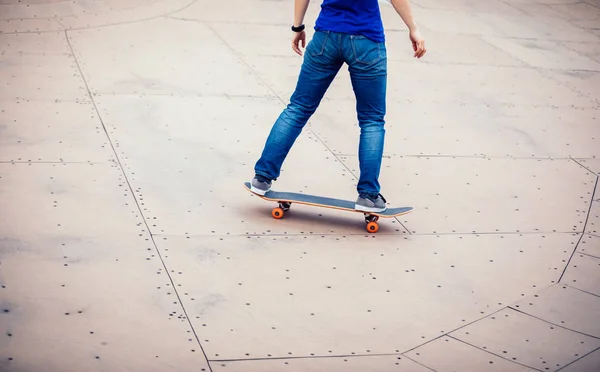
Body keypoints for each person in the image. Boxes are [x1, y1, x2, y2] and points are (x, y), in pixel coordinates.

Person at [250, 0, 426, 213]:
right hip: (367, 41)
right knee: (371, 120)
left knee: (298, 108)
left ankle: (262, 178)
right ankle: (368, 195)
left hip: (326, 36)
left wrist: (298, 26)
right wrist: (413, 28)